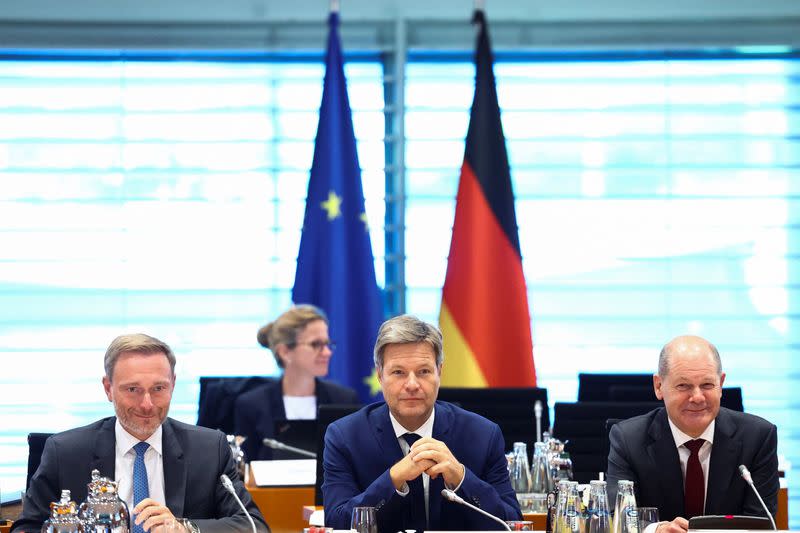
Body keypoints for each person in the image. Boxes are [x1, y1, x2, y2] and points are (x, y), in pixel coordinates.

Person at [13, 333, 269, 533]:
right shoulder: (66, 452)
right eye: (133, 389)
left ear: (173, 385)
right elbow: (28, 527)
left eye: (158, 388)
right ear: (108, 388)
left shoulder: (209, 448)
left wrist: (185, 528)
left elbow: (253, 525)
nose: (147, 403)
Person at [322, 314, 521, 531]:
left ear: (439, 372)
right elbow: (336, 523)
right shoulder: (345, 436)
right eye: (398, 372)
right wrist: (394, 478)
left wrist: (462, 478)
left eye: (423, 371)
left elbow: (512, 524)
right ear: (380, 376)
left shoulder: (483, 435)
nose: (412, 384)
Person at [607, 335, 778, 533]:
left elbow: (759, 524)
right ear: (659, 386)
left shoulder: (758, 437)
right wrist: (656, 530)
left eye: (707, 385)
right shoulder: (628, 439)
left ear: (721, 384)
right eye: (683, 386)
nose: (697, 397)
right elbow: (617, 518)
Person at [234, 305, 359, 461]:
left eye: (327, 344)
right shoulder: (251, 405)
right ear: (285, 352)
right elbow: (246, 471)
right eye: (315, 344)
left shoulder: (344, 400)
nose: (327, 352)